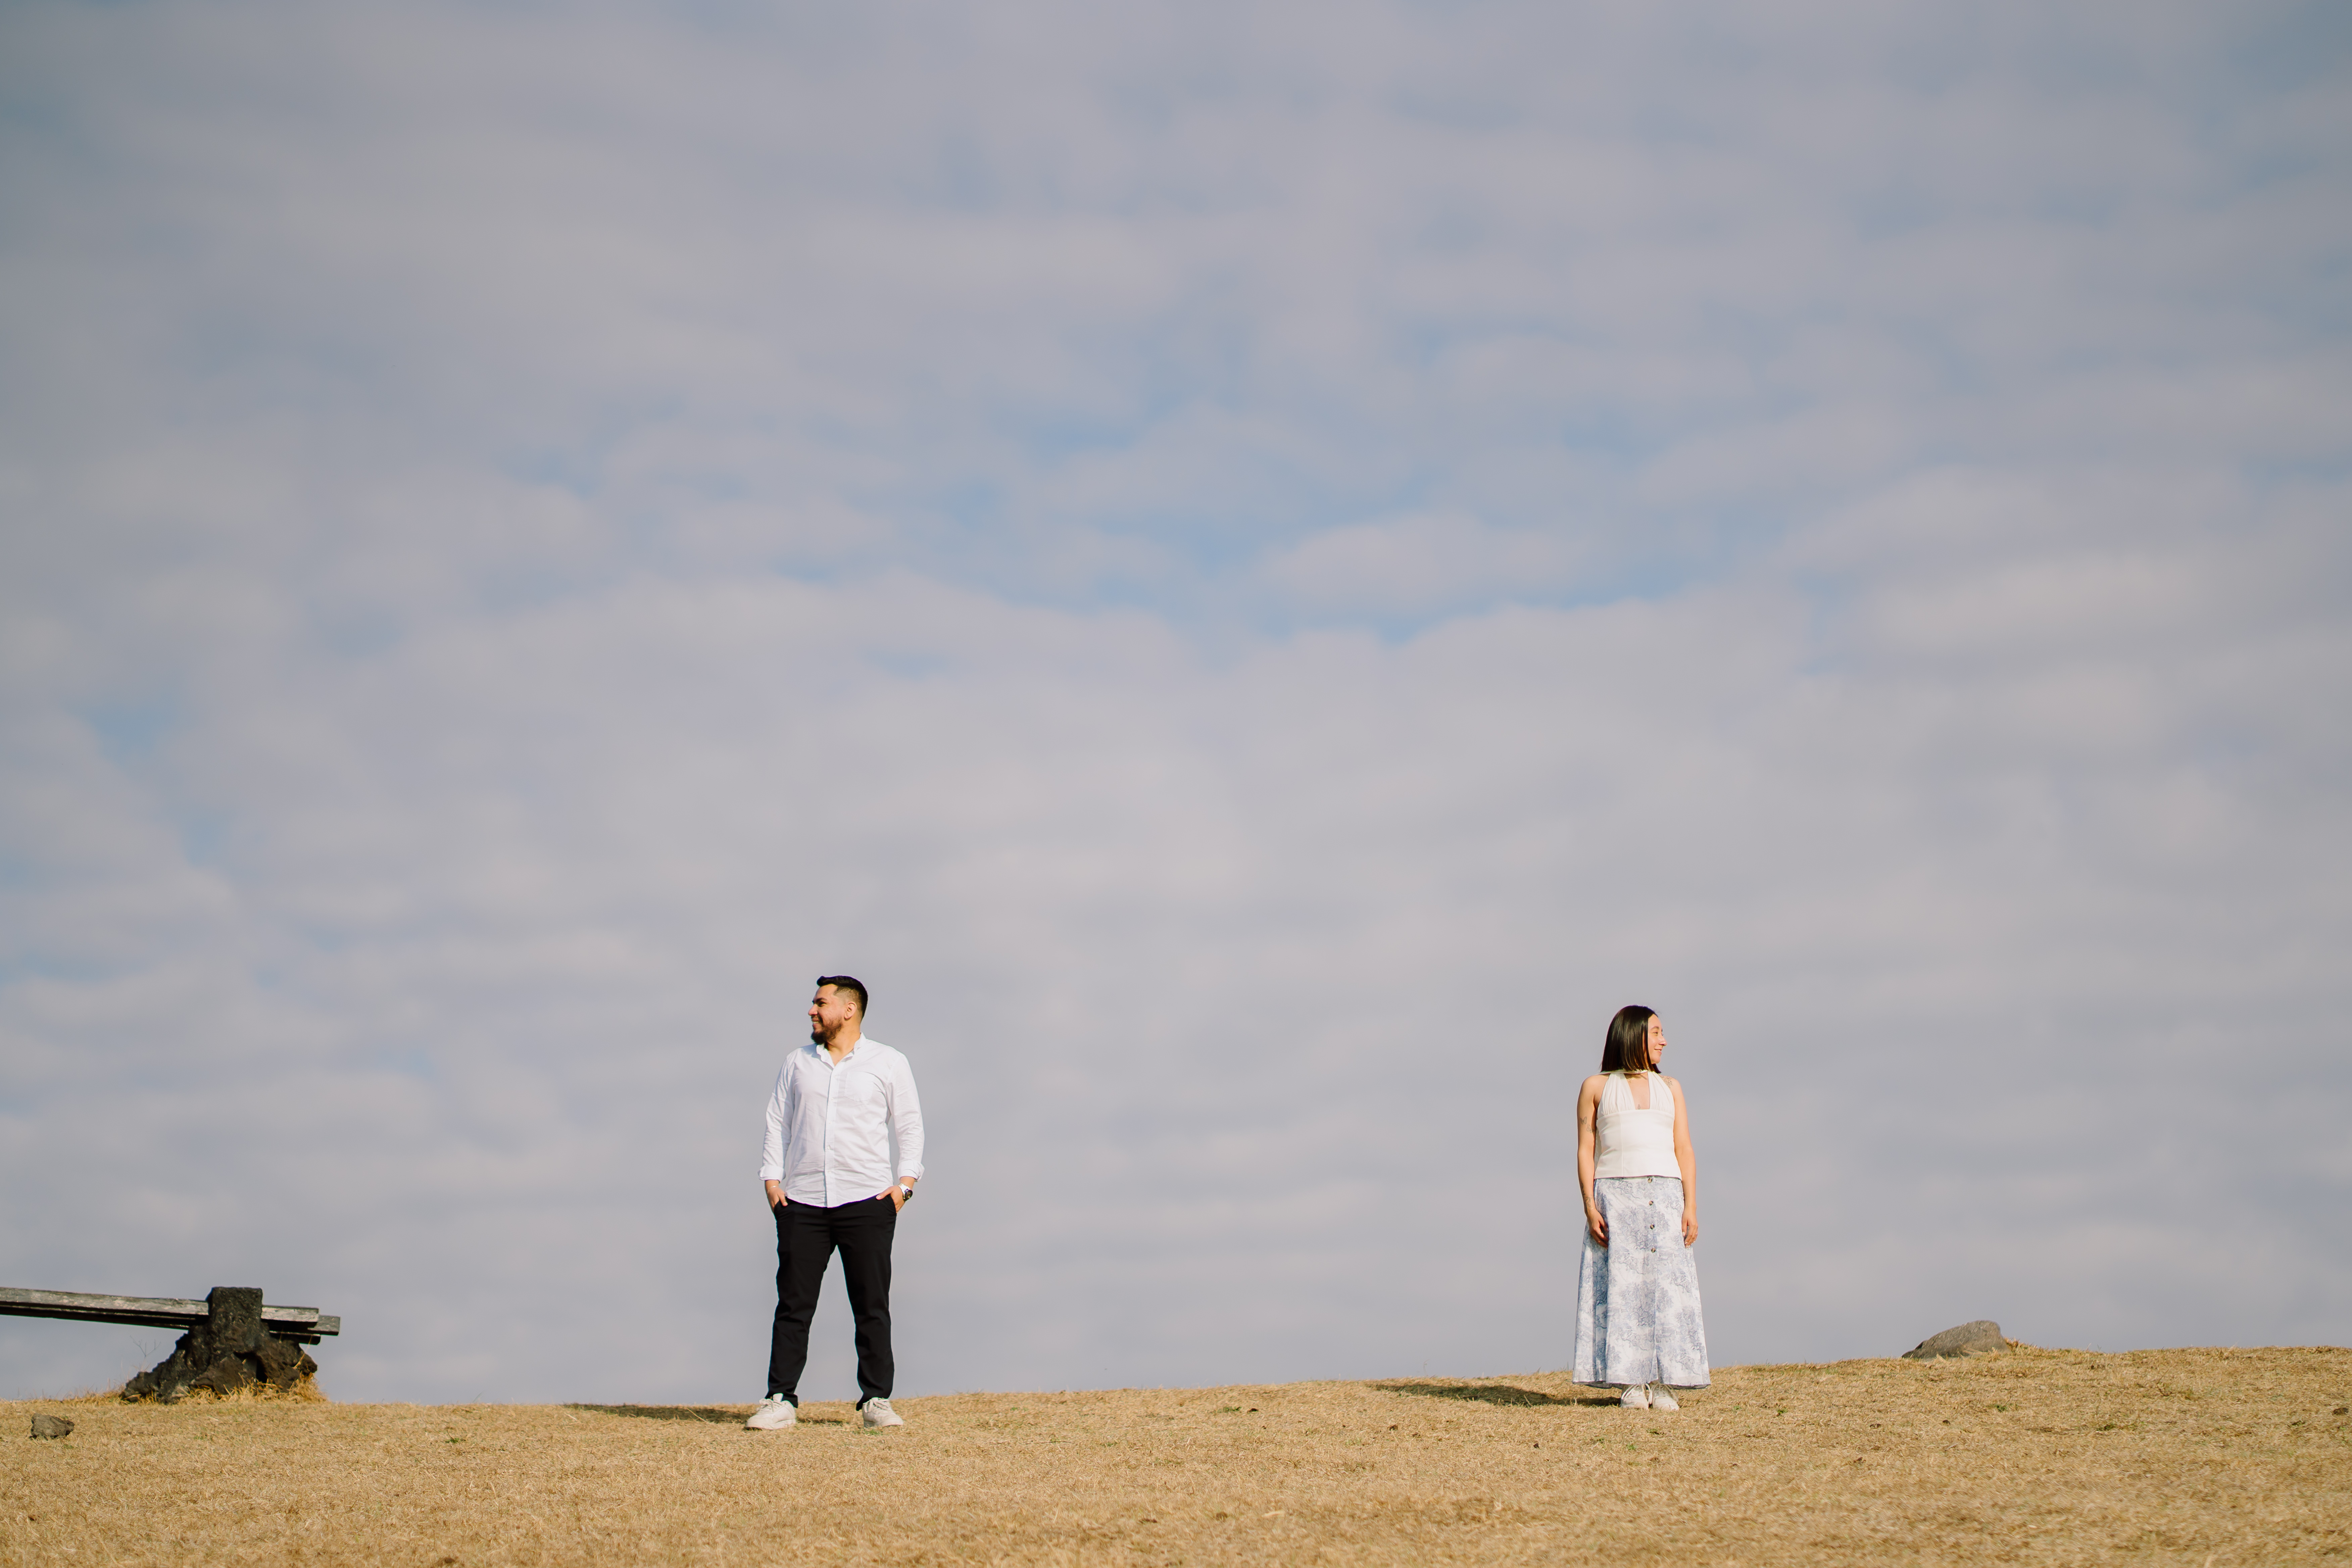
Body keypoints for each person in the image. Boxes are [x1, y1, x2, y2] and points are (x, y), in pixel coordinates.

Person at [746, 975, 925, 1432]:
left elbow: (909, 1126)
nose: (811, 1010)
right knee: (793, 1304)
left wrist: (904, 1187)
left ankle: (876, 1400)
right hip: (802, 1202)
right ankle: (780, 1399)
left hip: (867, 1200)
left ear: (848, 1010)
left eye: (819, 1003)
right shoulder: (797, 1064)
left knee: (871, 1304)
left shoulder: (888, 1062)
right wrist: (772, 1182)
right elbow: (776, 1123)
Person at [1572, 1004, 1709, 1410]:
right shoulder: (1596, 1087)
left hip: (1666, 1195)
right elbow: (1586, 1150)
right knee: (1622, 1288)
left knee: (1668, 1288)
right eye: (1656, 1032)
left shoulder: (1672, 1088)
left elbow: (1684, 1148)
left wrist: (1691, 1205)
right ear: (1633, 1036)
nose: (1664, 1040)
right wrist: (1589, 1206)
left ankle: (1666, 1381)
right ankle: (1631, 1382)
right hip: (1616, 1196)